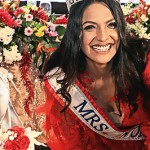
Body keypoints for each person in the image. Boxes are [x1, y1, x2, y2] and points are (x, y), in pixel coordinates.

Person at [36, 0, 150, 149]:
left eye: (111, 25)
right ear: (75, 33)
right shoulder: (62, 82)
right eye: (90, 27)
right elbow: (71, 145)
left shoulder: (143, 60)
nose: (103, 37)